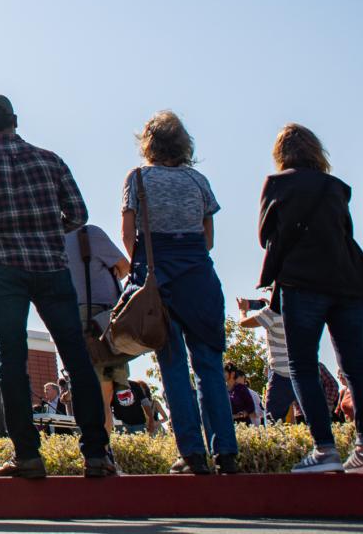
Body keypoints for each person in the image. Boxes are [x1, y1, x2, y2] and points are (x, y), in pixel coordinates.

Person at [0, 94, 116, 478]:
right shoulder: (50, 160)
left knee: (12, 361)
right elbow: (78, 214)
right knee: (76, 357)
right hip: (52, 268)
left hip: (6, 269)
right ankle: (96, 453)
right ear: (15, 120)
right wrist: (47, 229)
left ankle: (27, 455)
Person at [257, 123, 363, 473]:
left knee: (302, 365)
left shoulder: (277, 185)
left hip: (303, 282)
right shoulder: (336, 188)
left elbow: (265, 236)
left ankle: (324, 449)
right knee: (355, 367)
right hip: (348, 284)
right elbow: (344, 233)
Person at [122, 111, 237, 475]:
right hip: (199, 275)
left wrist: (143, 269)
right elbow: (209, 238)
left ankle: (192, 454)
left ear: (149, 143)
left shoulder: (138, 179)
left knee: (172, 365)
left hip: (159, 276)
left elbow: (128, 234)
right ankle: (226, 452)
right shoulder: (198, 180)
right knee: (209, 366)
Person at [63, 223, 131, 434]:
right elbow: (125, 266)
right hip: (99, 315)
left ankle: (97, 447)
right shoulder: (88, 234)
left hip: (69, 316)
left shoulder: (47, 241)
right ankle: (103, 451)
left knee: (88, 386)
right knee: (104, 388)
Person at [237, 296, 295, 422]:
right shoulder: (298, 309)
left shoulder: (271, 312)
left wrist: (243, 310)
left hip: (280, 372)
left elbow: (244, 323)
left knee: (272, 420)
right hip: (298, 371)